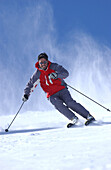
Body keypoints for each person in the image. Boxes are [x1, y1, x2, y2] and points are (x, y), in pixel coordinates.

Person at [22, 53, 95, 127]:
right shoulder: (37, 73)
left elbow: (65, 73)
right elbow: (31, 84)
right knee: (57, 104)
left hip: (62, 89)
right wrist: (26, 94)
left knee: (70, 103)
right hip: (51, 94)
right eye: (41, 62)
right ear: (39, 63)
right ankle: (73, 118)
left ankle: (88, 116)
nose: (43, 64)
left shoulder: (54, 66)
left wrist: (57, 75)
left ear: (47, 61)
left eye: (44, 62)